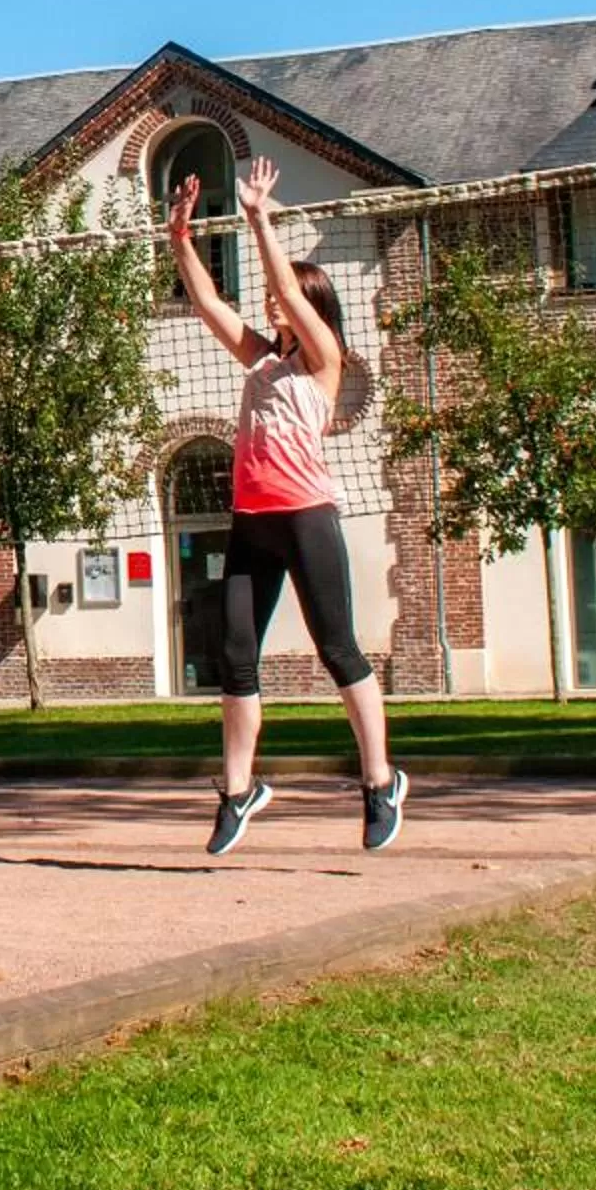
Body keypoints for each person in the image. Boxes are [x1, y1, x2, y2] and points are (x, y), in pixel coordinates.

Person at [168, 157, 407, 855]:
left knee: (338, 649)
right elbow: (213, 305)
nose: (275, 307)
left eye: (288, 299)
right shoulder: (263, 362)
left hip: (306, 516)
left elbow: (284, 291)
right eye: (276, 303)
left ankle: (380, 780)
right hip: (253, 521)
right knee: (235, 655)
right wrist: (181, 238)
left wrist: (257, 219)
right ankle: (239, 790)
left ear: (310, 305)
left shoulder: (324, 358)